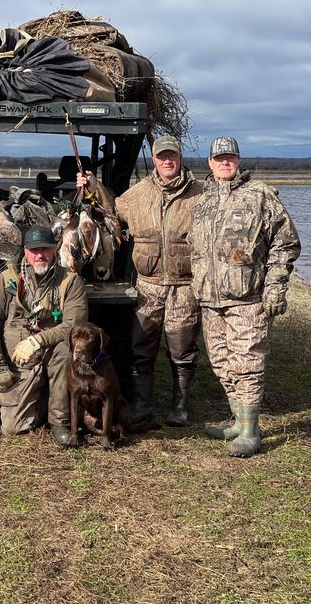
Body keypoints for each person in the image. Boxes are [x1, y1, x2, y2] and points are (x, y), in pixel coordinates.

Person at [77, 135, 203, 426]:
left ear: (180, 158)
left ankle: (180, 407)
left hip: (185, 286)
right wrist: (92, 186)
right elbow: (112, 211)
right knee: (141, 348)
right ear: (155, 160)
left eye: (172, 156)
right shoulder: (138, 193)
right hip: (148, 286)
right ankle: (142, 404)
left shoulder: (200, 194)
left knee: (181, 350)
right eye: (161, 156)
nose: (167, 161)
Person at [190, 136, 301, 457]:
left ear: (238, 161)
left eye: (230, 158)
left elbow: (285, 244)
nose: (225, 163)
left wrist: (276, 286)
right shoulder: (205, 199)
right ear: (210, 163)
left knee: (247, 362)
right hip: (210, 299)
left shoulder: (260, 195)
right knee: (221, 361)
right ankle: (238, 421)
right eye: (219, 158)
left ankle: (252, 431)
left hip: (248, 299)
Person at [0, 225, 88, 445]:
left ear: (55, 250)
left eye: (45, 249)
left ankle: (60, 422)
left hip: (52, 354)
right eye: (34, 249)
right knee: (13, 427)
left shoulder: (70, 281)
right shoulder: (7, 279)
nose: (40, 255)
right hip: (21, 364)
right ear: (25, 251)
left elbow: (75, 325)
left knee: (66, 351)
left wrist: (38, 340)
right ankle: (43, 400)